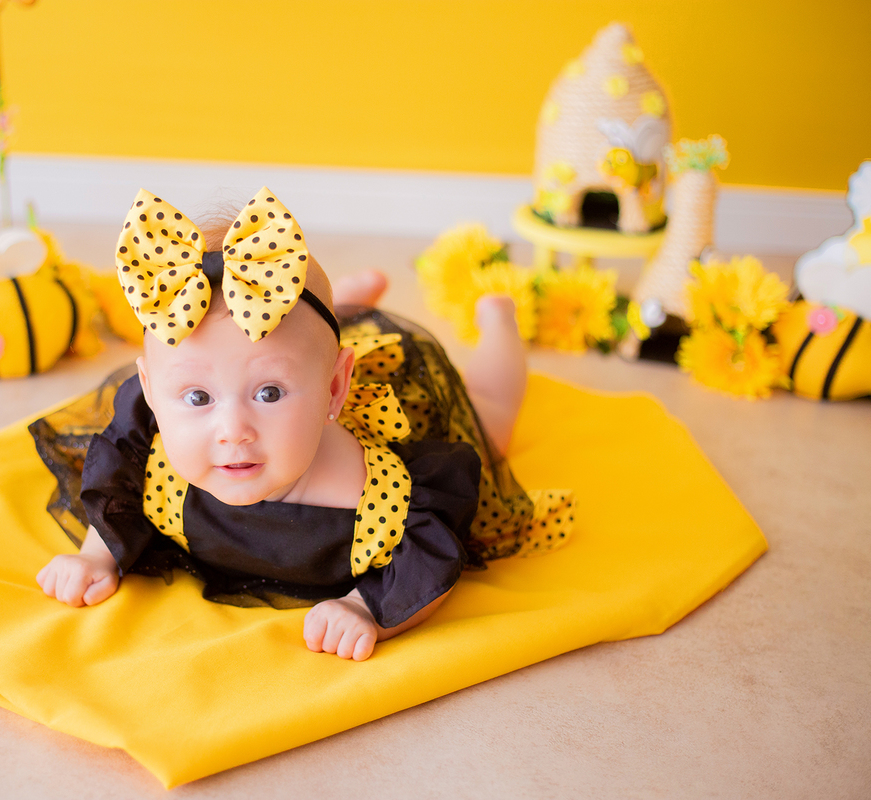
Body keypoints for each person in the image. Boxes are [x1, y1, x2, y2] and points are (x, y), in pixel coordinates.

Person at [33, 188, 560, 662]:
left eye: (269, 394)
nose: (232, 429)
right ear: (150, 392)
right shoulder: (148, 451)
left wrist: (366, 610)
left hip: (387, 401)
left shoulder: (385, 493)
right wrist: (96, 557)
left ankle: (498, 320)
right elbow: (115, 494)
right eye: (197, 397)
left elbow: (431, 562)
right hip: (309, 358)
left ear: (335, 390)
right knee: (293, 343)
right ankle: (345, 305)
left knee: (488, 424)